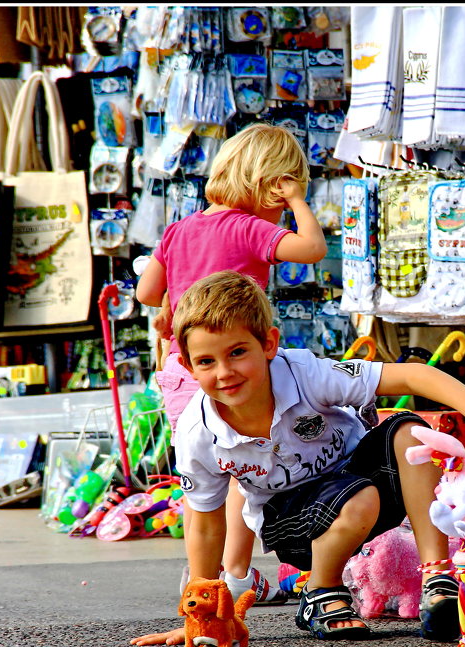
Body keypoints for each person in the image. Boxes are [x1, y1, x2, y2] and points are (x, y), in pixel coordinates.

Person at [132, 271, 465, 643]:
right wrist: (203, 612)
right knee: (357, 495)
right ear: (188, 367)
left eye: (237, 352)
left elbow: (410, 376)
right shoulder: (198, 431)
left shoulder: (304, 373)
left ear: (268, 344)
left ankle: (437, 578)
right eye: (206, 362)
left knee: (410, 432)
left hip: (360, 484)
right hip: (291, 523)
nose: (225, 372)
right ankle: (322, 590)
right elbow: (204, 523)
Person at [133, 123, 326, 613]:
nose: (282, 207)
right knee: (243, 469)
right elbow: (311, 250)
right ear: (268, 185)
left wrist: (173, 304)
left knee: (203, 475)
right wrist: (302, 204)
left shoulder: (180, 229)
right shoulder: (247, 227)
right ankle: (236, 575)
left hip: (184, 372)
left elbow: (147, 293)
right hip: (236, 371)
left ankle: (201, 578)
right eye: (281, 195)